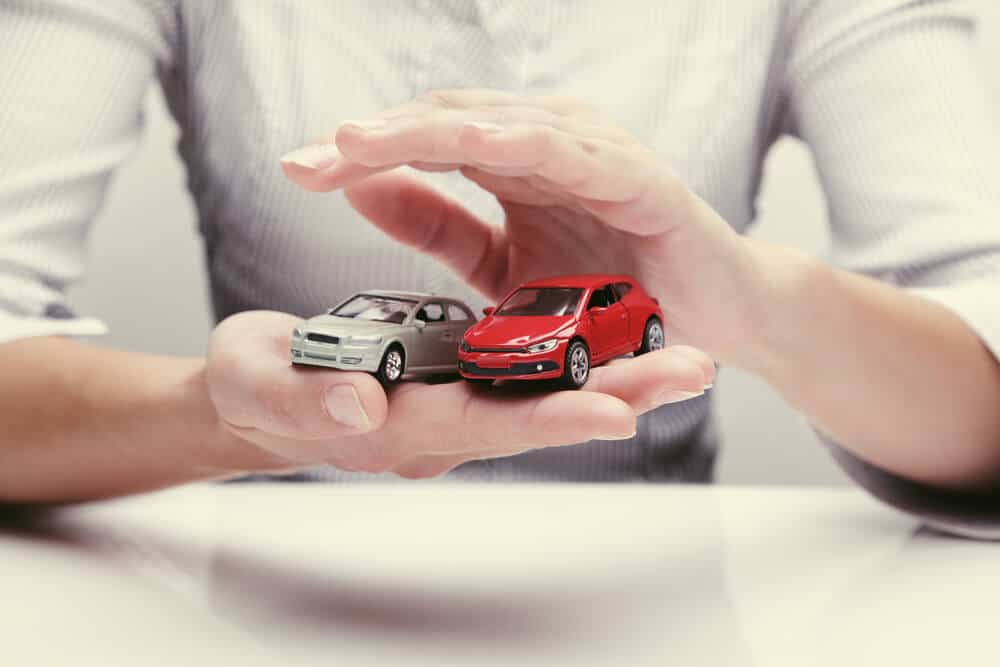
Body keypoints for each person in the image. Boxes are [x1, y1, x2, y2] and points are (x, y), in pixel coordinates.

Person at [1, 1, 998, 537]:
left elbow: (983, 328)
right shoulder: (447, 334)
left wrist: (750, 302)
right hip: (266, 580)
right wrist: (215, 415)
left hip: (666, 590)